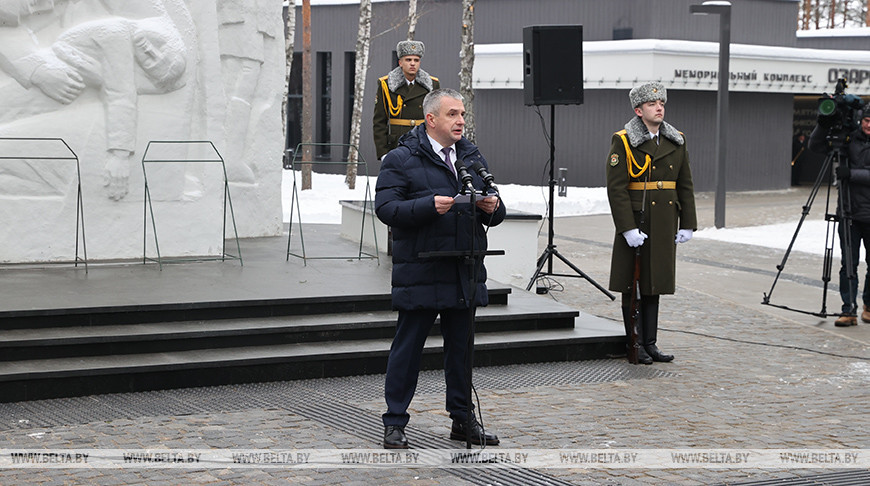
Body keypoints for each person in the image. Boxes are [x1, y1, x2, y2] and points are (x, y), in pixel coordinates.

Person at [375, 88, 506, 449]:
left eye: (462, 113)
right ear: (431, 119)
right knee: (408, 350)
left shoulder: (470, 155)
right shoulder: (400, 159)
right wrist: (428, 206)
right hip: (421, 269)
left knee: (461, 352)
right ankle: (395, 422)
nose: (461, 120)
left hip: (463, 269)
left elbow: (497, 211)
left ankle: (463, 421)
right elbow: (386, 209)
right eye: (452, 114)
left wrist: (491, 207)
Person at [606, 82, 697, 364]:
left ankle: (651, 342)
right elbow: (617, 188)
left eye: (661, 104)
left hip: (664, 219)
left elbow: (685, 184)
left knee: (654, 281)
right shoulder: (623, 140)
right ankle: (635, 342)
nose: (659, 108)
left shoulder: (676, 140)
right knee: (632, 284)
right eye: (652, 105)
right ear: (638, 110)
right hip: (638, 218)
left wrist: (688, 223)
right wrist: (627, 228)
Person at [808, 102, 870, 327]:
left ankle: (868, 306)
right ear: (860, 120)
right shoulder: (848, 139)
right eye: (866, 121)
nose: (868, 125)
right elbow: (816, 146)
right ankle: (848, 309)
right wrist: (822, 125)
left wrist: (851, 174)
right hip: (848, 212)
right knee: (848, 264)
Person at [372, 39, 439, 160]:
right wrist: (383, 153)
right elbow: (379, 122)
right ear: (400, 62)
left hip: (423, 143)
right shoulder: (386, 84)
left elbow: (436, 120)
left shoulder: (432, 84)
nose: (412, 64)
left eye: (416, 60)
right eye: (408, 60)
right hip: (397, 144)